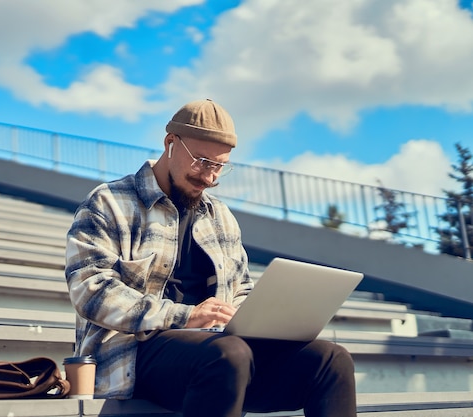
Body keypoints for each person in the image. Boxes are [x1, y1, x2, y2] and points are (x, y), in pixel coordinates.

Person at [65, 99, 357, 417]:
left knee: (331, 359)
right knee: (228, 355)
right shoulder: (110, 201)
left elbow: (241, 290)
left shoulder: (221, 216)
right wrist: (185, 316)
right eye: (202, 161)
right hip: (135, 353)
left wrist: (261, 320)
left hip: (222, 355)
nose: (209, 177)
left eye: (219, 166)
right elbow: (90, 290)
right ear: (170, 143)